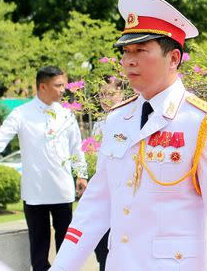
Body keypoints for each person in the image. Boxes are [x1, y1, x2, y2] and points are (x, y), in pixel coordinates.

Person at [50, 0, 207, 271]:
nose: (128, 61)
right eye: (126, 52)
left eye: (141, 51)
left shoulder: (203, 122)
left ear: (174, 58)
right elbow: (97, 203)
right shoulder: (119, 118)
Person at [0, 66, 88, 271]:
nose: (63, 90)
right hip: (34, 193)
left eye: (64, 85)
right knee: (38, 251)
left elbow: (77, 148)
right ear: (42, 86)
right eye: (58, 85)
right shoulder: (21, 114)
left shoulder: (67, 114)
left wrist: (81, 174)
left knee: (67, 248)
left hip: (63, 191)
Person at [91, 76, 124, 271]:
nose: (105, 98)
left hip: (120, 193)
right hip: (102, 192)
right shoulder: (99, 123)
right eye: (102, 94)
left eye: (110, 94)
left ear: (121, 93)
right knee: (101, 245)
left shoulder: (129, 119)